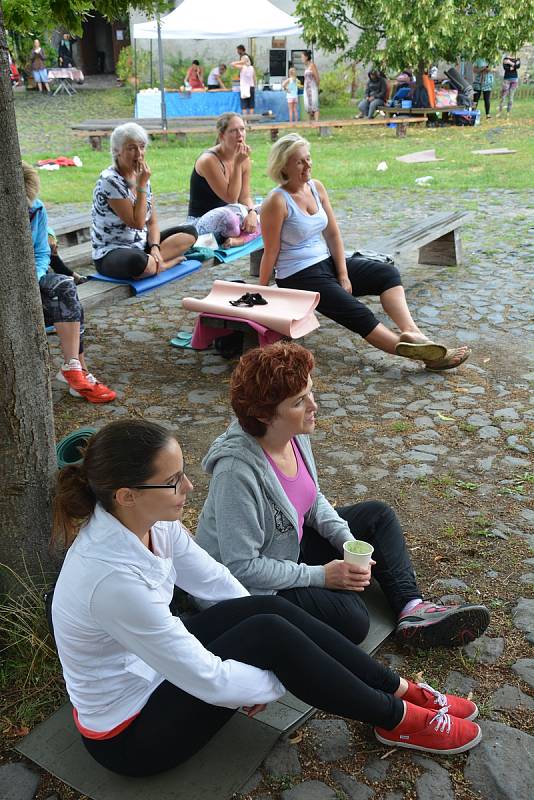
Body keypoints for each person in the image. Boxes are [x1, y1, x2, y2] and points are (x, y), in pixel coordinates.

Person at [50, 418, 482, 778]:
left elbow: (218, 582)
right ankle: (400, 721)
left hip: (152, 670)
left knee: (268, 614)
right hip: (131, 734)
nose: (188, 487)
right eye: (173, 481)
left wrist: (275, 645)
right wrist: (288, 671)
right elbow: (210, 680)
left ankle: (402, 690)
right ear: (127, 496)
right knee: (276, 641)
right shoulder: (111, 581)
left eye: (182, 473)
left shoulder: (150, 522)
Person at [195, 342, 490, 649]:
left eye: (311, 391)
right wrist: (322, 576)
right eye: (299, 402)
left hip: (287, 545)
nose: (313, 405)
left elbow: (309, 498)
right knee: (354, 621)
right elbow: (242, 566)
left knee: (378, 516)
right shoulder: (236, 472)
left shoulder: (291, 434)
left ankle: (412, 610)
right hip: (250, 587)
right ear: (265, 415)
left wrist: (346, 540)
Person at [258, 134, 470, 370]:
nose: (308, 165)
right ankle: (429, 357)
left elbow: (333, 234)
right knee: (358, 313)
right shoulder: (276, 201)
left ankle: (412, 332)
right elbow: (271, 251)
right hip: (298, 275)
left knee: (386, 273)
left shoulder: (316, 187)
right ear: (283, 167)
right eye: (300, 162)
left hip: (325, 262)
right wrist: (260, 291)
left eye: (308, 159)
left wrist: (343, 273)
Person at [23, 162, 115, 403]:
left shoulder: (37, 209)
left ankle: (73, 367)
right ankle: (79, 374)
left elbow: (42, 253)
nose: (26, 210)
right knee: (66, 302)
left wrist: (33, 278)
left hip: (31, 279)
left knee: (64, 286)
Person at [91, 123, 197, 280]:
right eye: (131, 148)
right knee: (138, 262)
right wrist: (141, 186)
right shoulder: (110, 180)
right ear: (117, 151)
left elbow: (152, 223)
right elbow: (138, 223)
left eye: (142, 147)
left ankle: (154, 263)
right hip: (111, 251)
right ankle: (163, 264)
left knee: (190, 233)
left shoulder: (140, 175)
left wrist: (154, 246)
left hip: (141, 246)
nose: (139, 153)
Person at [186, 112, 261, 247]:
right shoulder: (208, 160)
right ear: (222, 136)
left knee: (268, 209)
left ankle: (239, 240)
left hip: (232, 213)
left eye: (242, 129)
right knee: (230, 217)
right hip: (203, 221)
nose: (240, 134)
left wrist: (252, 213)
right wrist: (237, 164)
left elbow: (244, 197)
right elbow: (231, 198)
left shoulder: (243, 159)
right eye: (233, 131)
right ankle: (245, 236)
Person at [301, 50, 319, 121]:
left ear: (306, 57)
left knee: (314, 105)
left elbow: (317, 78)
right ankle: (310, 122)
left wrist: (316, 88)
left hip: (312, 89)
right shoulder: (306, 67)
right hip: (306, 89)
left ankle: (317, 122)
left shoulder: (312, 65)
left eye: (302, 57)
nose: (301, 59)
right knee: (307, 105)